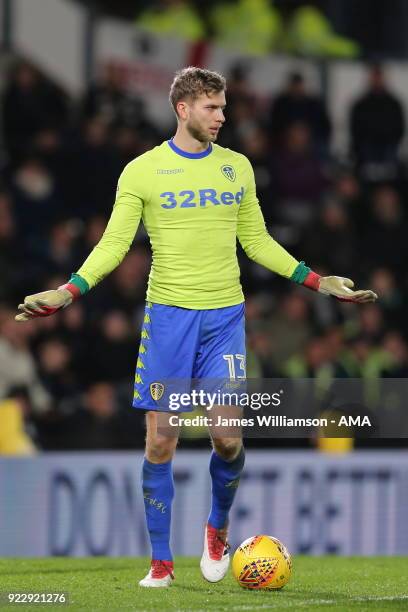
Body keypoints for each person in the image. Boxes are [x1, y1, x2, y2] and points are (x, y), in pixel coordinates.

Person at [15, 67, 377, 587]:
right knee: (162, 442)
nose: (223, 116)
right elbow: (115, 245)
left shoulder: (237, 169)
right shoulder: (141, 172)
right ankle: (161, 564)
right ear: (183, 109)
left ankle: (216, 526)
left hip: (224, 320)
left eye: (224, 107)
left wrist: (319, 282)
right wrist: (67, 291)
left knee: (227, 438)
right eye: (213, 107)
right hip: (168, 321)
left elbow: (257, 242)